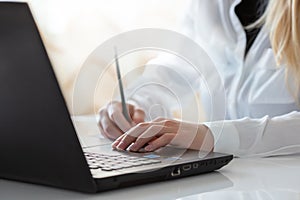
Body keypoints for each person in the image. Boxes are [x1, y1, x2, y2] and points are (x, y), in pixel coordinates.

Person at [97, 0, 300, 157]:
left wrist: (213, 136)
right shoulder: (208, 5)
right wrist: (137, 105)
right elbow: (182, 62)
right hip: (228, 180)